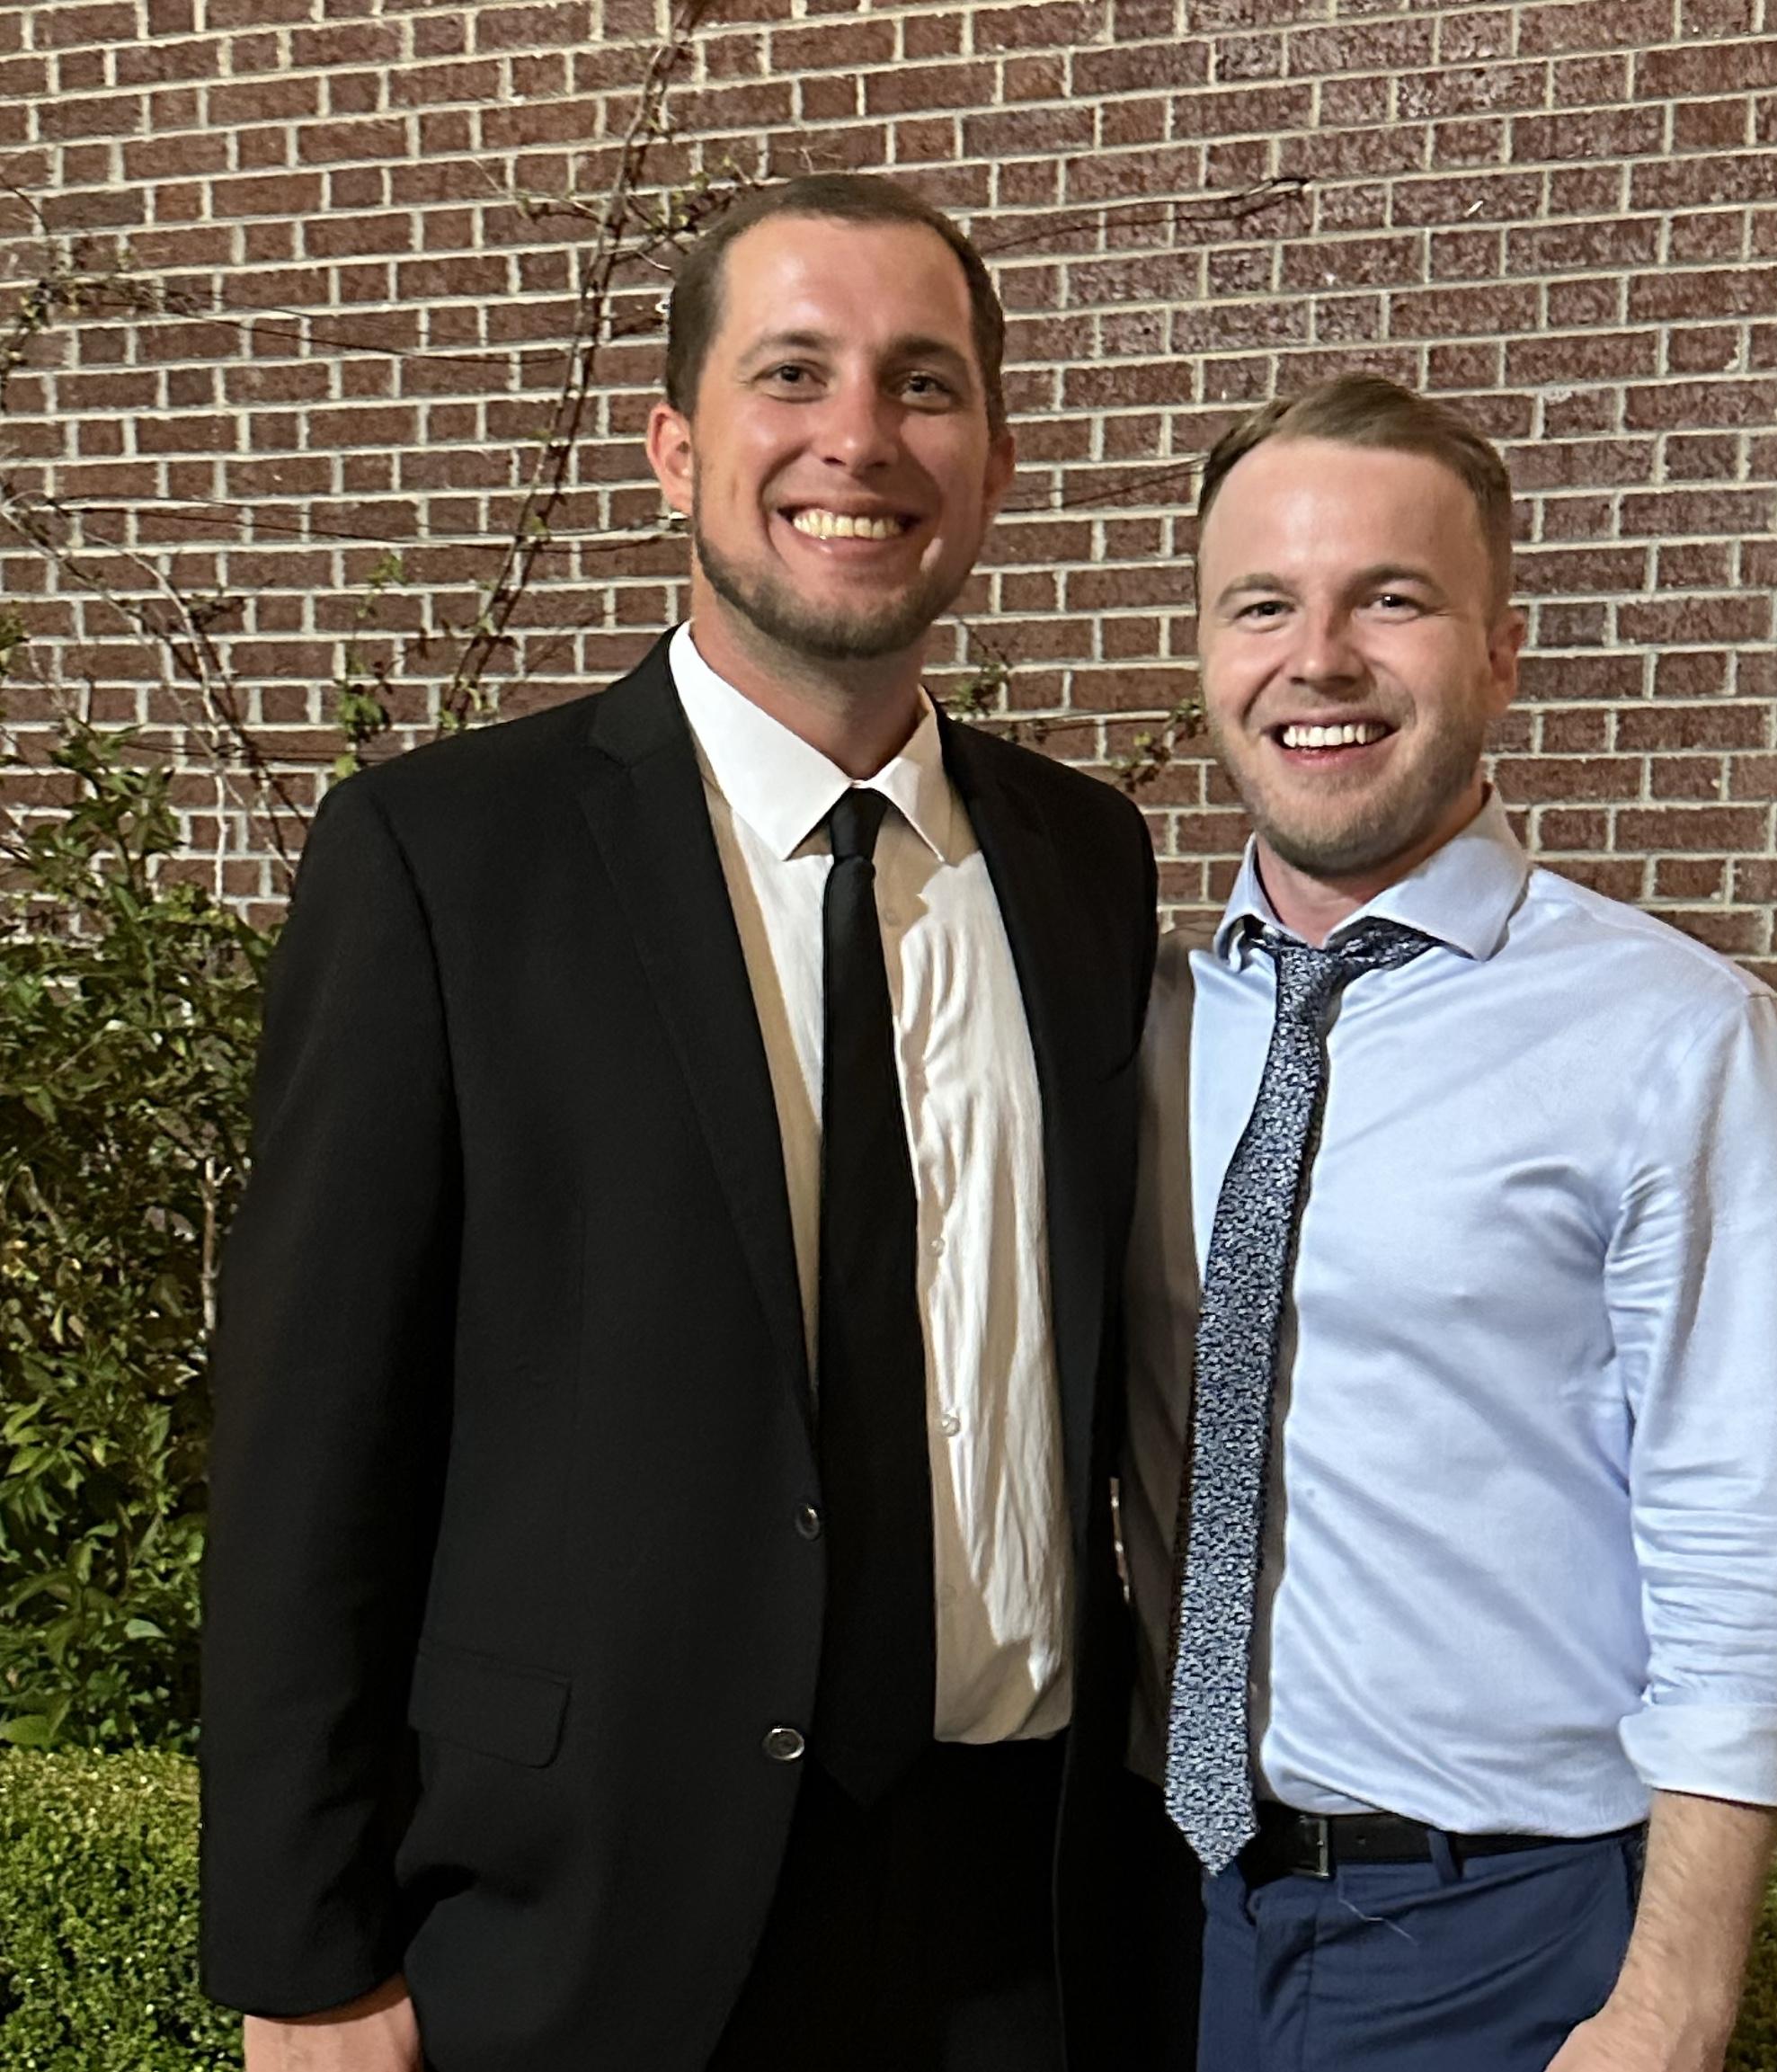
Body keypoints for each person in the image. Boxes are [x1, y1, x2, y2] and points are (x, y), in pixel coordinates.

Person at [201, 173, 1167, 2072]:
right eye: (790, 373)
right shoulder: (444, 860)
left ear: (992, 462)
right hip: (589, 1933)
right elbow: (311, 1437)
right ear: (672, 448)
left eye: (923, 384)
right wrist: (304, 1959)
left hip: (1021, 1917)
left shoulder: (1081, 861)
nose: (857, 438)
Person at [1120, 372, 1777, 2072]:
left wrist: (1671, 1998)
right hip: (1159, 1913)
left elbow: (1750, 1544)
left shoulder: (1675, 1045)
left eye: (1390, 599)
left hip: (1497, 1945)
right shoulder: (1139, 1024)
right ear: (1208, 652)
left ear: (1500, 653)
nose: (1317, 659)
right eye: (1260, 605)